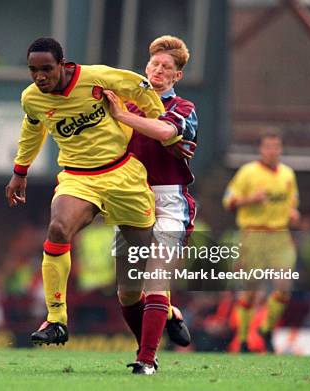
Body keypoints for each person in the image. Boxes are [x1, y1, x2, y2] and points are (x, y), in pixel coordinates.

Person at [5, 37, 178, 375]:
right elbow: (33, 129)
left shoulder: (99, 77)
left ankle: (166, 315)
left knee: (133, 282)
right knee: (58, 227)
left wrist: (165, 133)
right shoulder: (33, 99)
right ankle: (56, 319)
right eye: (33, 70)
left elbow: (141, 89)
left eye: (46, 69)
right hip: (78, 178)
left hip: (123, 175)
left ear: (63, 64)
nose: (39, 77)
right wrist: (19, 172)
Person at [103, 35, 198, 356]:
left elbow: (164, 131)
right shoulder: (126, 102)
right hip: (131, 200)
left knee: (157, 281)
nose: (158, 70)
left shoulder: (183, 108)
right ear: (145, 66)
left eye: (166, 67)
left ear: (177, 76)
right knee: (128, 294)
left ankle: (146, 360)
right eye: (154, 64)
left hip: (169, 199)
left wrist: (122, 116)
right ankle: (167, 314)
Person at [223, 129, 300, 353]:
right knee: (250, 291)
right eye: (268, 147)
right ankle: (244, 340)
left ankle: (267, 328)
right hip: (253, 234)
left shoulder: (288, 174)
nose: (272, 151)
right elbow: (228, 201)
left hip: (280, 235)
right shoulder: (248, 172)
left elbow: (292, 202)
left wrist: (294, 213)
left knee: (284, 286)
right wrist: (249, 199)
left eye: (276, 147)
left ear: (281, 149)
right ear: (261, 149)